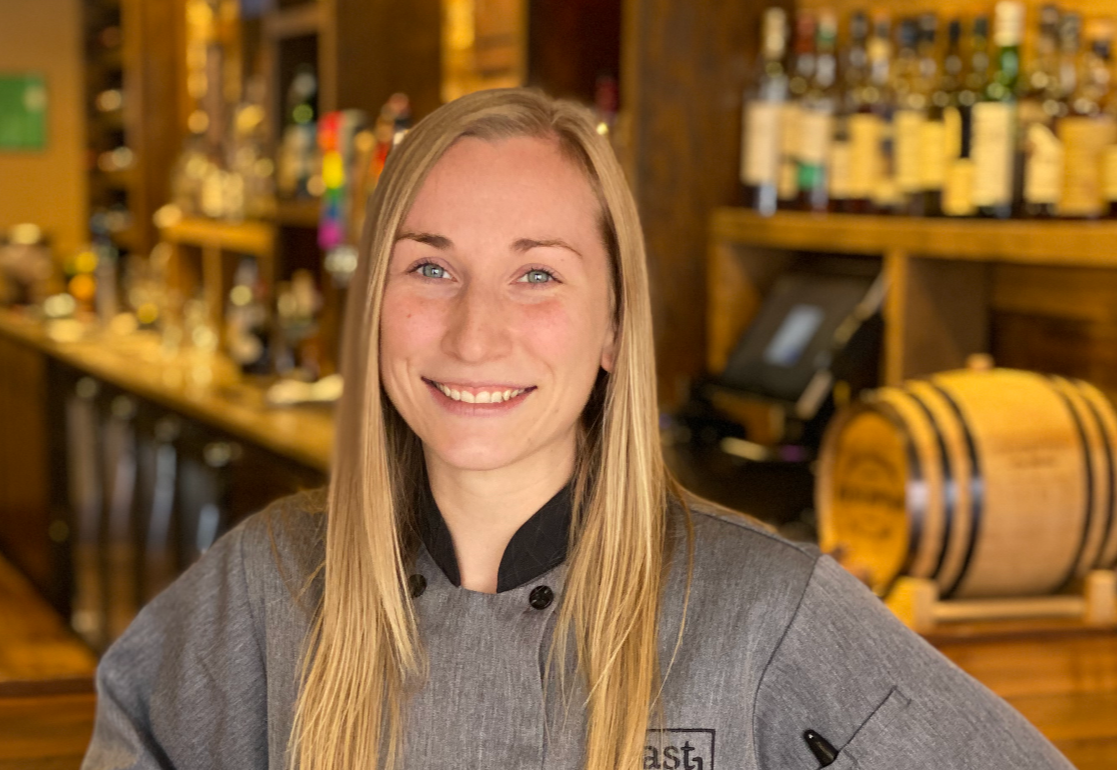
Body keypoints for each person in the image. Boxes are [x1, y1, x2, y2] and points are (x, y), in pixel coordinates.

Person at [81, 88, 1074, 770]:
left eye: (537, 273)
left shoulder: (762, 610)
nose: (476, 331)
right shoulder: (268, 585)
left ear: (611, 324)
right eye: (429, 266)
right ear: (373, 304)